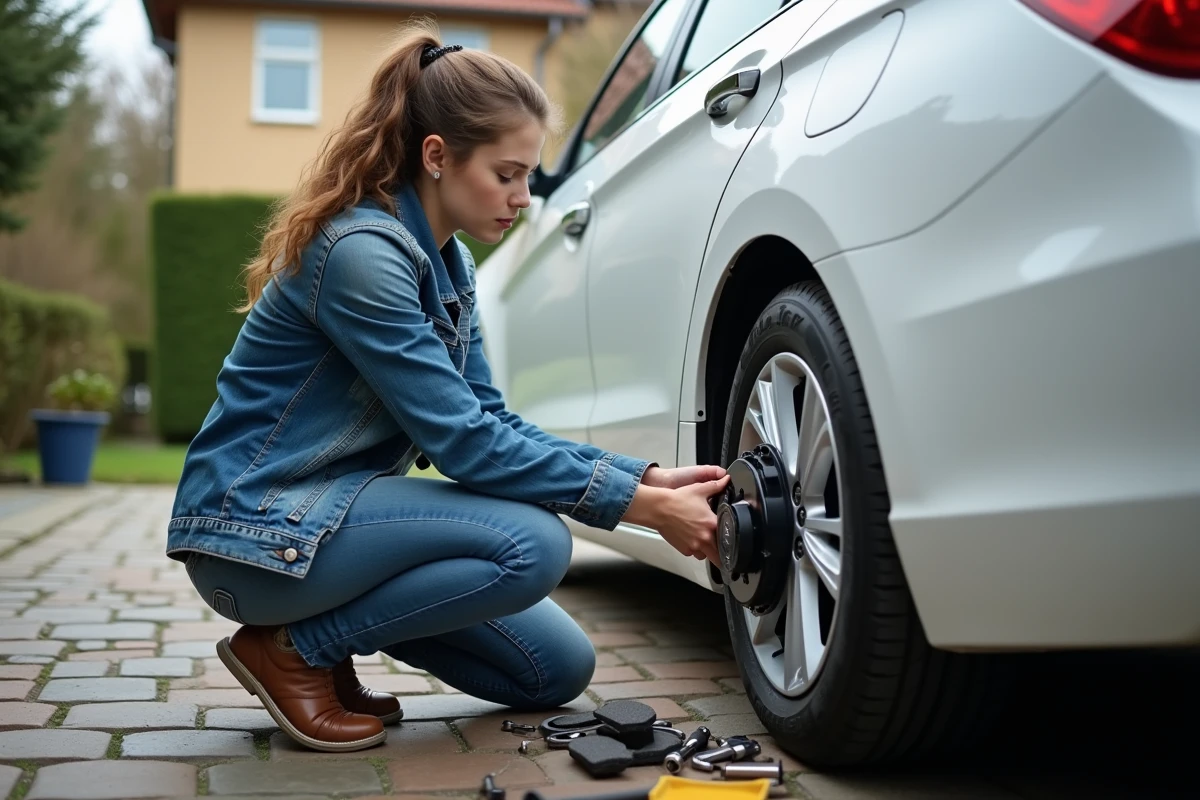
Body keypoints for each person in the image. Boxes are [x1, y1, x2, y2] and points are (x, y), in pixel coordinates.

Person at [166, 21, 730, 754]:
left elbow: (488, 418)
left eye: (529, 174)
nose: (524, 196)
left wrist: (644, 477)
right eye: (507, 173)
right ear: (436, 156)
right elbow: (465, 444)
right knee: (532, 545)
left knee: (554, 669)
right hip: (253, 536)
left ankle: (318, 644)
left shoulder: (448, 263)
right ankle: (296, 651)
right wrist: (640, 507)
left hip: (329, 528)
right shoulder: (361, 255)